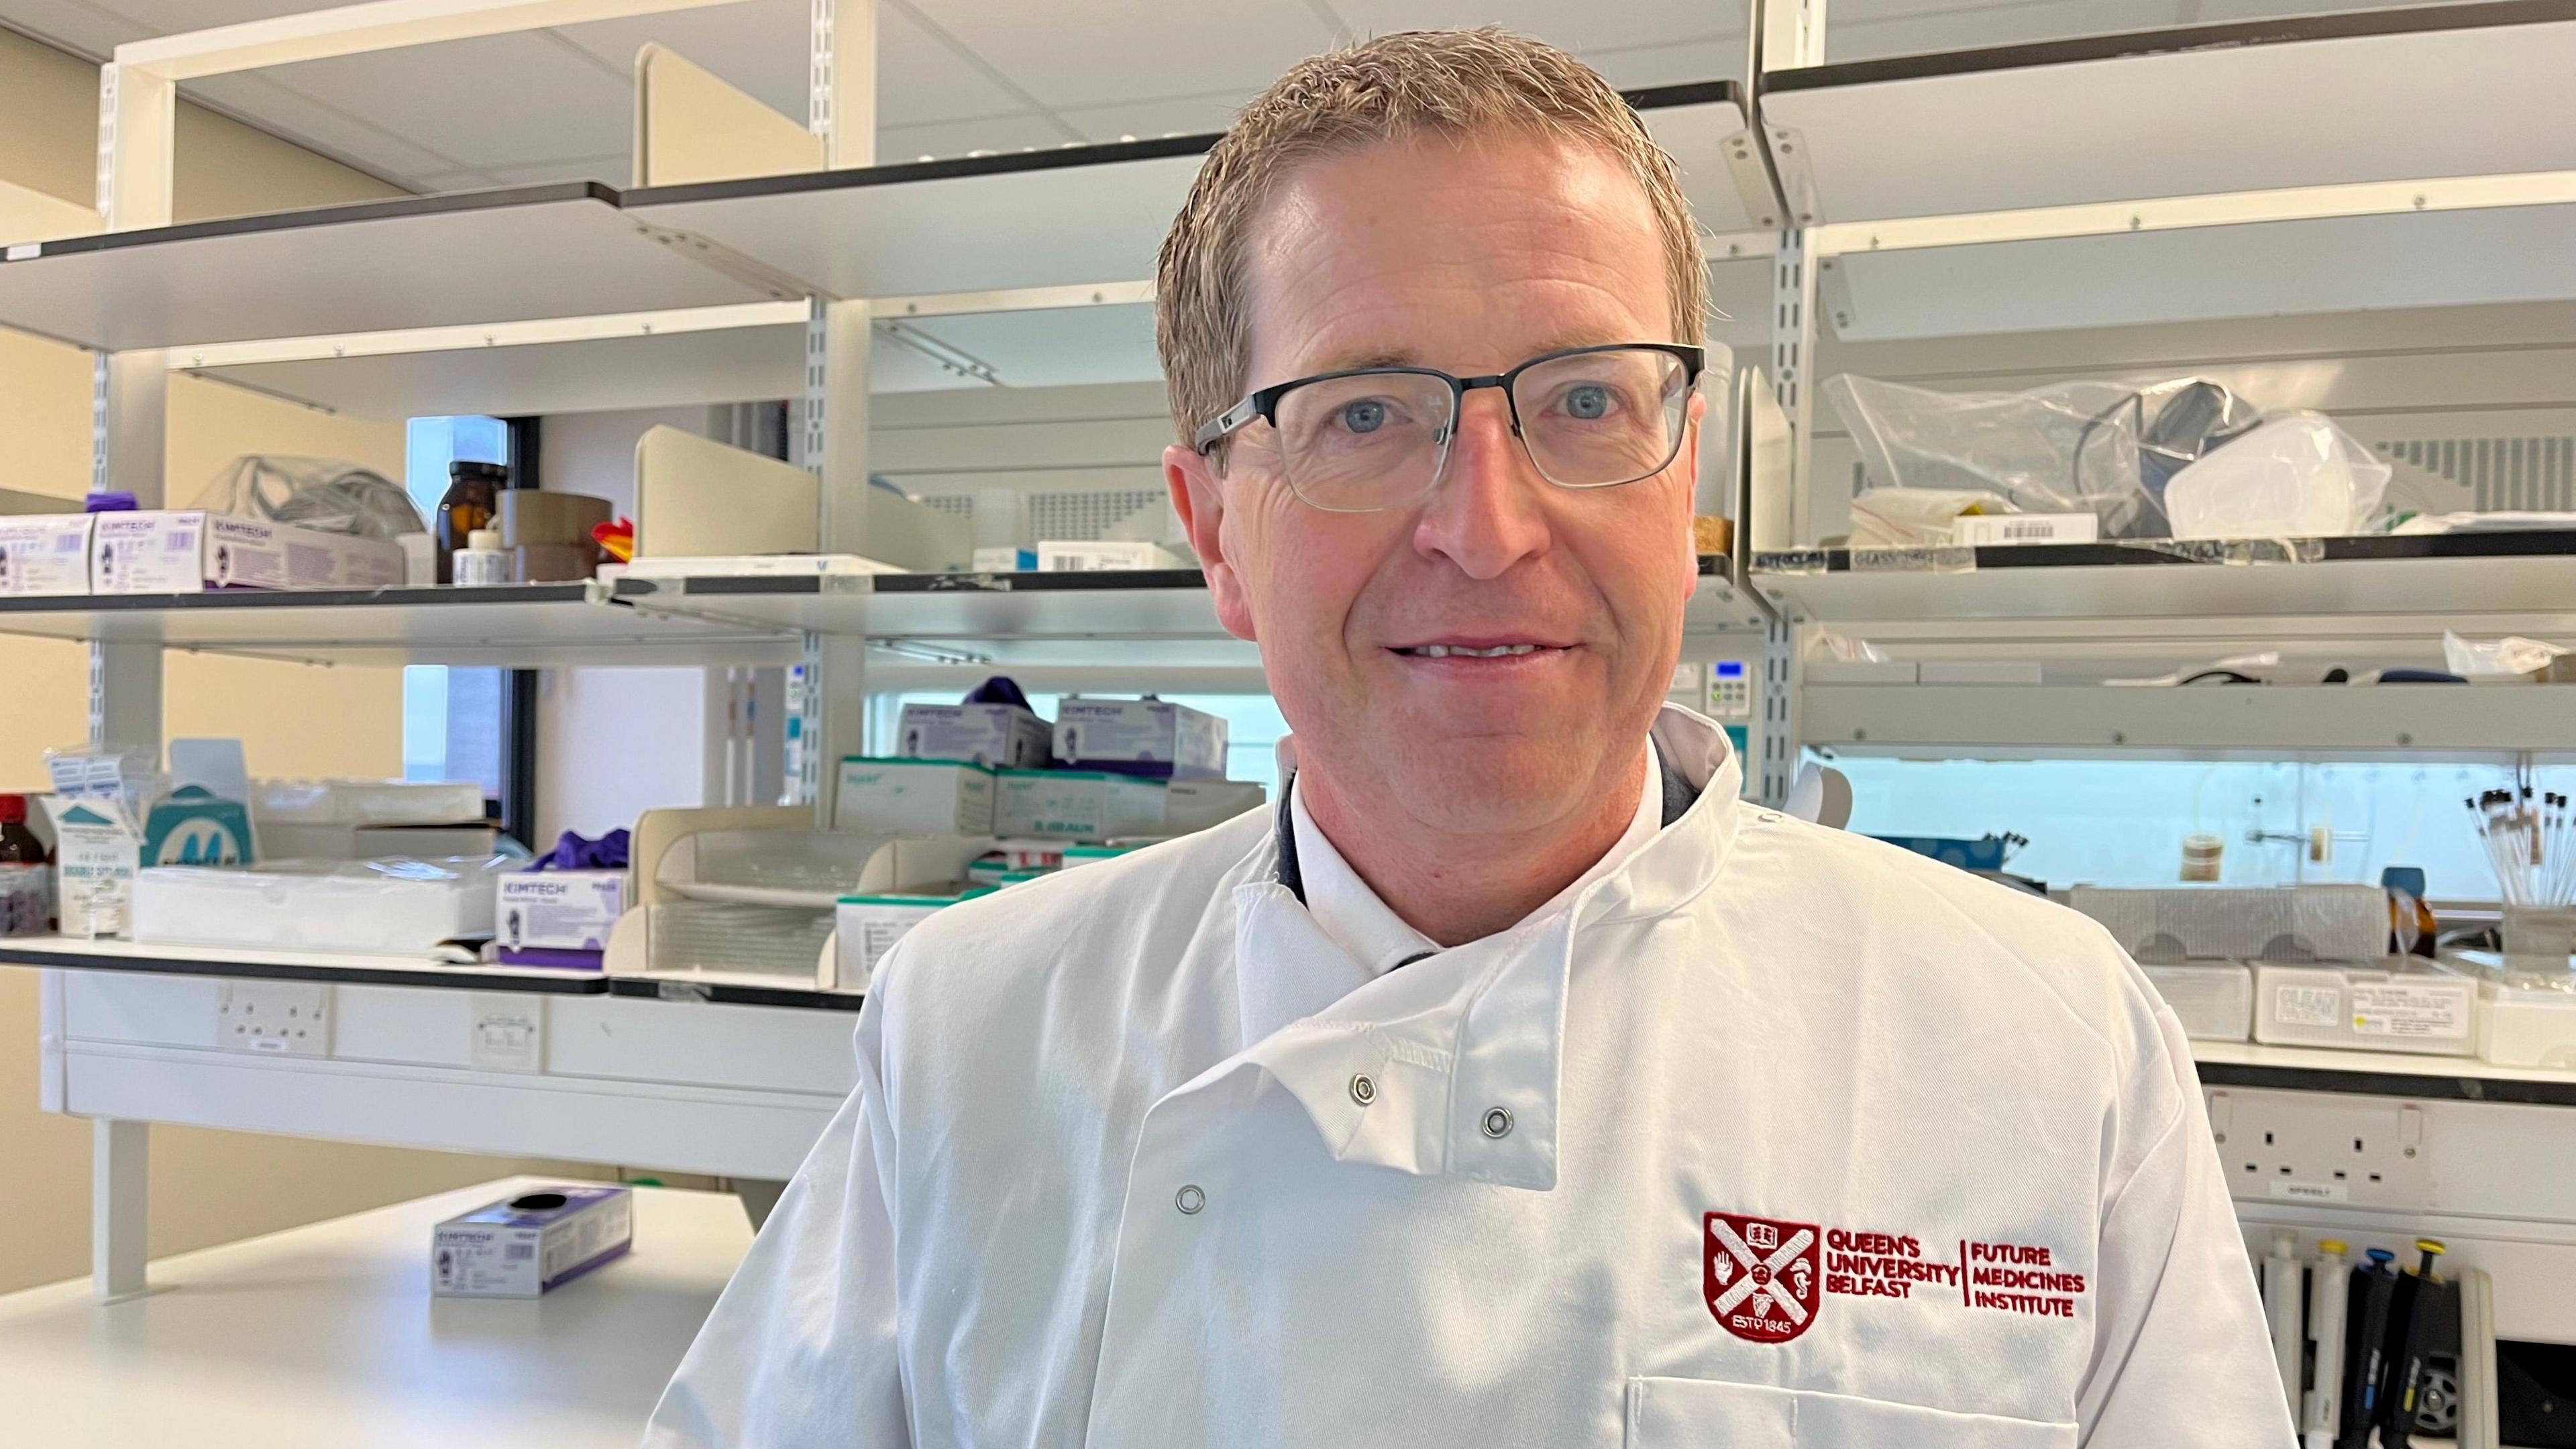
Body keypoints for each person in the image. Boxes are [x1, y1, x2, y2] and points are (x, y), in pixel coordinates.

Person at [646, 30, 2290, 1448]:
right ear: (1216, 530)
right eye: (1364, 412)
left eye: (1585, 400)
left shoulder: (2046, 1047)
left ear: (1686, 475)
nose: (1490, 530)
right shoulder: (972, 1032)